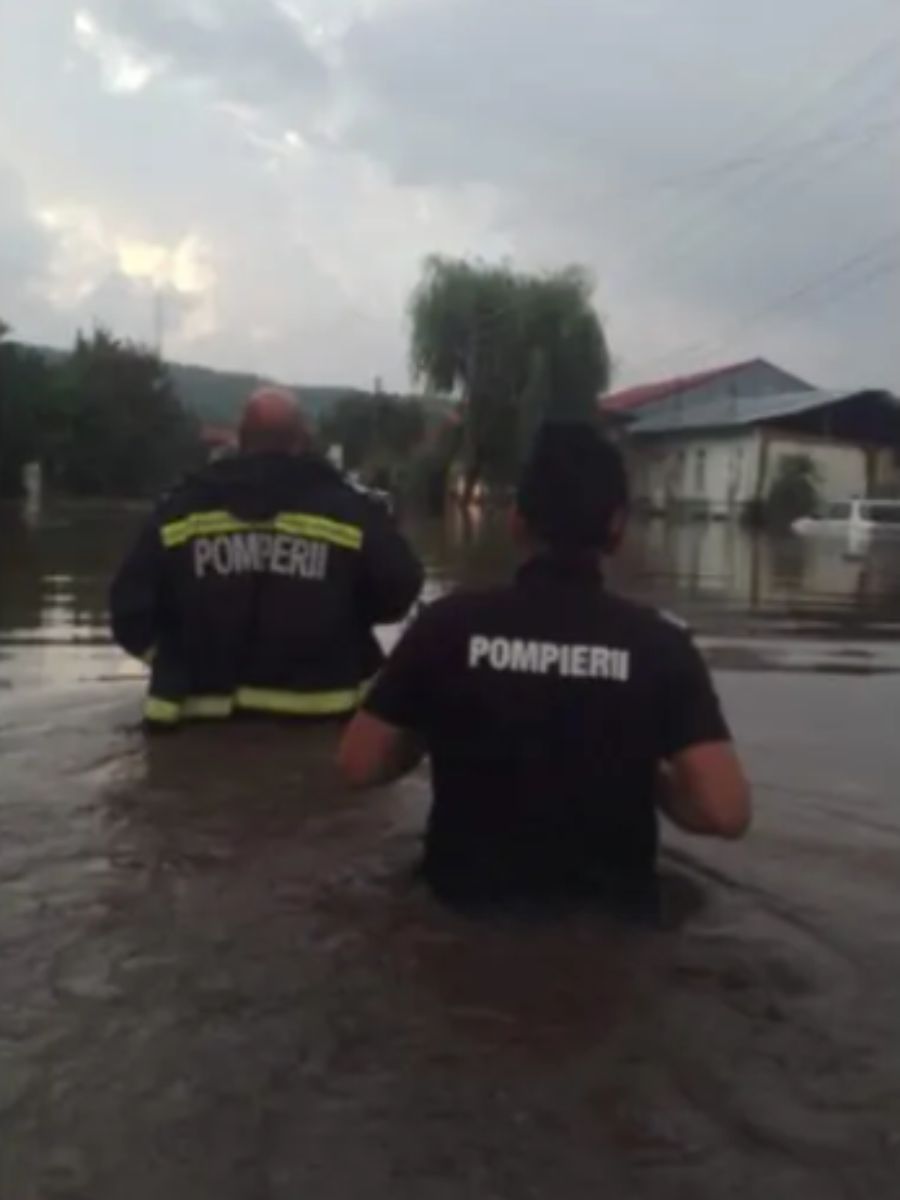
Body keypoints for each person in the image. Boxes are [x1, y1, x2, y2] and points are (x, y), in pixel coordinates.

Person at [338, 423, 750, 914]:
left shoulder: (446, 628)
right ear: (616, 527)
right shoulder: (661, 645)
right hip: (612, 931)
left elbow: (358, 765)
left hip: (462, 913)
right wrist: (649, 773)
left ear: (516, 521)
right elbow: (726, 812)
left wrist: (432, 727)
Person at [110, 386, 423, 728]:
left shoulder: (181, 508)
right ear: (302, 441)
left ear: (240, 440)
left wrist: (170, 663)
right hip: (318, 718)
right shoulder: (350, 510)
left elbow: (127, 610)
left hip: (198, 724)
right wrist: (343, 612)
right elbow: (400, 590)